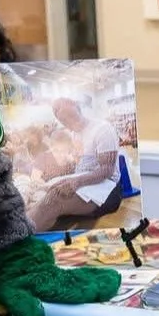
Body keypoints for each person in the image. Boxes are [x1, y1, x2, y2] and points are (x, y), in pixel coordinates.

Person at [27, 92, 121, 225]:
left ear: (78, 108)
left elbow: (107, 170)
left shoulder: (102, 129)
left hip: (108, 188)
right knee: (44, 192)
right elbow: (78, 163)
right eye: (64, 121)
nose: (70, 122)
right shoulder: (74, 134)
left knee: (54, 199)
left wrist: (75, 181)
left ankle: (19, 234)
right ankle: (23, 226)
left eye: (71, 116)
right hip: (86, 182)